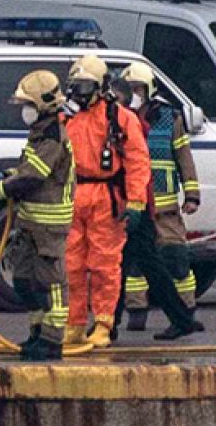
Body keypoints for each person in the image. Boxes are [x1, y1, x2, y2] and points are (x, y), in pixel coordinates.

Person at [0, 70, 74, 360]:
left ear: (44, 104)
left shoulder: (52, 136)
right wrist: (4, 174)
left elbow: (31, 179)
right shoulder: (39, 133)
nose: (24, 111)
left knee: (51, 284)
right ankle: (37, 333)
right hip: (31, 224)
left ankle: (52, 341)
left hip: (49, 226)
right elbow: (26, 170)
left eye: (28, 105)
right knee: (25, 281)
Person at [62, 53, 149, 349]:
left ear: (101, 87)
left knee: (104, 264)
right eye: (75, 86)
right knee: (71, 264)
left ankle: (103, 323)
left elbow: (137, 160)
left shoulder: (119, 118)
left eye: (85, 87)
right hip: (74, 195)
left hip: (106, 198)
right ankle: (73, 323)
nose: (79, 93)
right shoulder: (66, 118)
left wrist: (136, 201)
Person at [116, 62, 206, 341]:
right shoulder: (119, 118)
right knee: (132, 265)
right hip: (136, 204)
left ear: (149, 89)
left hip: (164, 205)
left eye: (138, 88)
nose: (134, 94)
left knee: (176, 259)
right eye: (130, 89)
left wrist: (191, 195)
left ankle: (186, 312)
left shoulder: (169, 117)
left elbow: (183, 157)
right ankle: (136, 313)